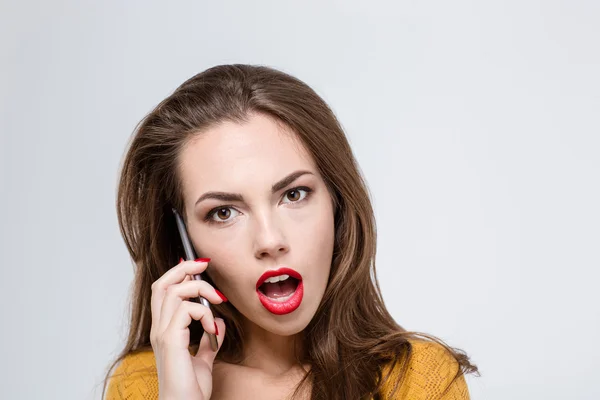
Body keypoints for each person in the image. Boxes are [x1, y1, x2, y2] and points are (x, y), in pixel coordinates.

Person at [102, 64, 479, 399]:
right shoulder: (143, 385)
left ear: (337, 200)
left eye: (293, 195)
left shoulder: (419, 382)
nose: (270, 241)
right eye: (223, 212)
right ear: (183, 239)